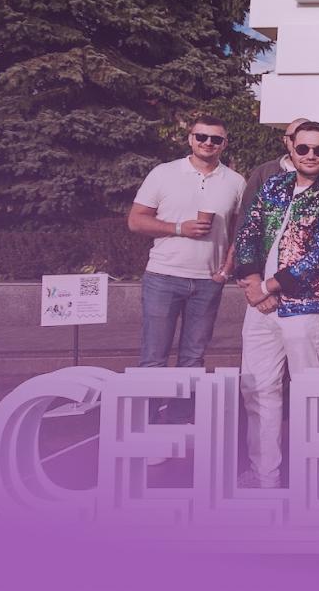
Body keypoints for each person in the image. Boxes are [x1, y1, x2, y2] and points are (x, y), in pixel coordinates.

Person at [233, 121, 319, 488]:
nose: (311, 155)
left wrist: (269, 286)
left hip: (308, 309)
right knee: (257, 389)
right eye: (304, 148)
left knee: (310, 396)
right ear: (291, 149)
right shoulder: (273, 185)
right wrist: (251, 281)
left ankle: (309, 480)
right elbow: (248, 232)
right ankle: (264, 475)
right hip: (260, 307)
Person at [128, 115, 245, 426]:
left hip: (207, 281)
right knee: (154, 357)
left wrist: (227, 269)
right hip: (163, 276)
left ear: (224, 144)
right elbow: (136, 220)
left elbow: (238, 232)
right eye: (201, 137)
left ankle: (179, 419)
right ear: (190, 139)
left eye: (215, 139)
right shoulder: (164, 173)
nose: (208, 143)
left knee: (193, 358)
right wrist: (179, 228)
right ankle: (146, 424)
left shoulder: (235, 181)